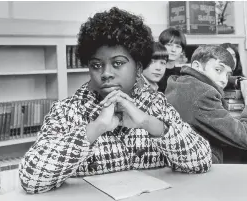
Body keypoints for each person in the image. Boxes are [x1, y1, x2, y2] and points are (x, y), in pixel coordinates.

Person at [19, 7, 212, 194]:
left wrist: (148, 122)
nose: (105, 74)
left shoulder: (156, 105)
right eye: (96, 65)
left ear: (138, 67)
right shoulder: (66, 111)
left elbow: (201, 161)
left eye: (118, 63)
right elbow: (31, 180)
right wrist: (96, 127)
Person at [165, 45, 247, 164]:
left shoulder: (181, 82)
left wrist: (237, 80)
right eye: (218, 70)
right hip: (204, 169)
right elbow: (244, 137)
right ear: (197, 66)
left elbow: (216, 77)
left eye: (227, 74)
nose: (224, 79)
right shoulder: (203, 94)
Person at [157, 27, 187, 93]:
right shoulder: (153, 72)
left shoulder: (182, 75)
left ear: (182, 51)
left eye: (178, 46)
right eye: (169, 45)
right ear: (161, 46)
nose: (173, 50)